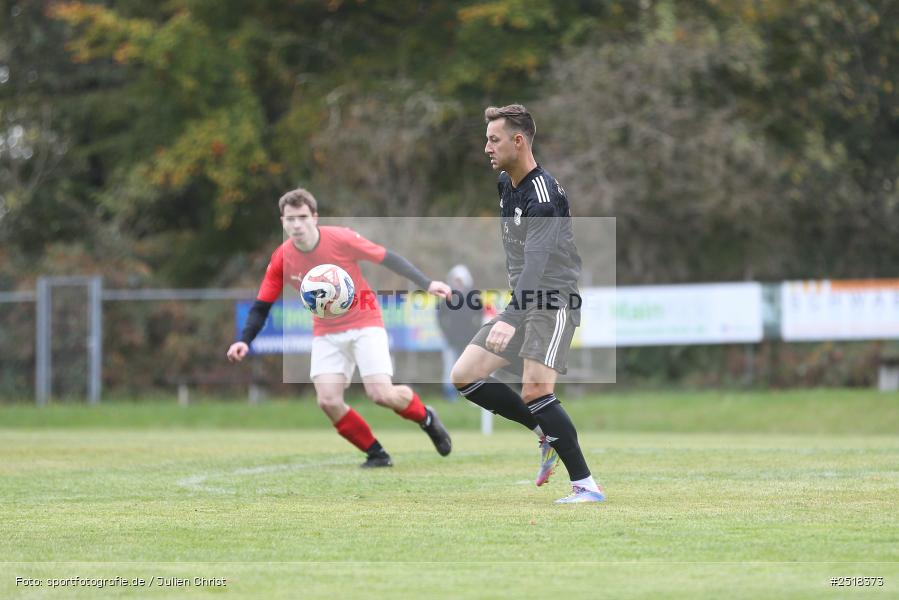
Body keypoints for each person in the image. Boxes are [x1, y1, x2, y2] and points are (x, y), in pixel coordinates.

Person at [227, 188, 453, 468]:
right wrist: (244, 340)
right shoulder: (282, 258)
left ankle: (425, 417)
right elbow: (262, 305)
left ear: (315, 218)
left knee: (381, 394)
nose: (296, 225)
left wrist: (428, 283)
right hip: (326, 332)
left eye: (302, 217)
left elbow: (388, 258)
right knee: (328, 400)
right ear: (282, 222)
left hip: (365, 322)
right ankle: (377, 454)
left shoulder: (340, 239)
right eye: (290, 219)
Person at [451, 104, 604, 503]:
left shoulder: (544, 196)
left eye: (494, 139)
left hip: (552, 301)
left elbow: (537, 263)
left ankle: (586, 486)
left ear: (518, 142)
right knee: (464, 375)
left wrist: (511, 316)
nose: (486, 147)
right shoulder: (506, 183)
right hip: (523, 299)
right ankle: (543, 432)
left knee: (536, 390)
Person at [436, 265, 484, 400]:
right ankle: (449, 394)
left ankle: (473, 394)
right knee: (450, 367)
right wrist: (446, 332)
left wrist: (476, 332)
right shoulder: (448, 297)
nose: (458, 283)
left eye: (460, 280)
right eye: (455, 280)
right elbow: (440, 316)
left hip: (469, 339)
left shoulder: (473, 296)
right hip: (451, 339)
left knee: (470, 367)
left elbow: (480, 315)